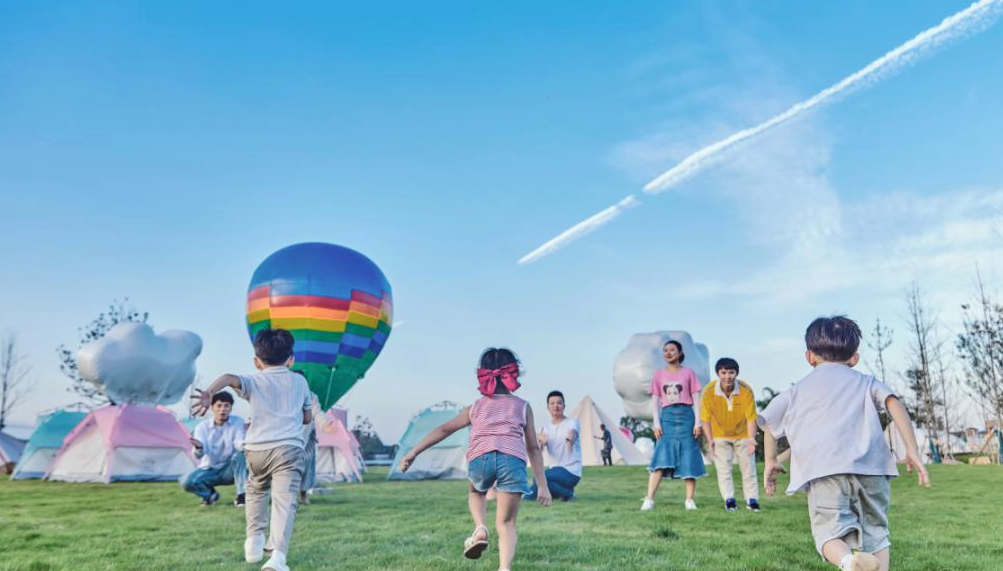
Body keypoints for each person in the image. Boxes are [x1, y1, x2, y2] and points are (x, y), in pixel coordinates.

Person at [761, 316, 931, 571]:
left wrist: (771, 461)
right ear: (854, 358)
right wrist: (912, 451)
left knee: (828, 533)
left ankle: (848, 561)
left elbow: (769, 424)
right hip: (872, 469)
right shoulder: (866, 382)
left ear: (810, 357)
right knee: (876, 531)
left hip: (824, 469)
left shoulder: (797, 390)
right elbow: (894, 403)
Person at [400, 347, 551, 571]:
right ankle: (504, 568)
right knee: (507, 523)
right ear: (514, 373)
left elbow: (444, 429)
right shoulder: (522, 406)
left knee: (476, 492)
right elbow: (533, 447)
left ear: (483, 373)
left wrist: (413, 452)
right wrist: (542, 485)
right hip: (512, 458)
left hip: (481, 457)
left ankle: (480, 527)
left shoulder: (476, 406)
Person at [192, 328, 312, 571]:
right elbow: (307, 418)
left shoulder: (254, 380)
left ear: (257, 362)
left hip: (256, 450)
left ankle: (254, 539)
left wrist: (208, 394)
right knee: (283, 500)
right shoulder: (300, 381)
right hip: (288, 449)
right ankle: (277, 558)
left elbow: (227, 377)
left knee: (256, 490)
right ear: (291, 359)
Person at [640, 340, 706, 511]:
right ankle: (649, 499)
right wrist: (656, 424)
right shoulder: (658, 375)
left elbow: (697, 399)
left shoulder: (689, 373)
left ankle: (689, 500)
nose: (668, 353)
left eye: (672, 350)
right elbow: (655, 401)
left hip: (686, 417)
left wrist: (698, 422)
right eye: (665, 350)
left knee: (688, 456)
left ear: (680, 352)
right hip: (667, 417)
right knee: (660, 456)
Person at [700, 357, 760, 512]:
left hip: (743, 434)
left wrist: (752, 439)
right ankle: (730, 501)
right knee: (724, 469)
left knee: (748, 468)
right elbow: (705, 419)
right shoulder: (708, 391)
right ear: (718, 373)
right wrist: (710, 440)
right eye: (724, 372)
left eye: (731, 372)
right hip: (720, 435)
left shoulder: (746, 390)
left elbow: (751, 418)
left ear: (736, 374)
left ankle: (752, 501)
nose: (727, 376)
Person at [180, 391, 248, 506]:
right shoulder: (202, 427)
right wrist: (199, 447)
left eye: (226, 406)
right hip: (210, 468)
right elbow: (199, 455)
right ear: (212, 408)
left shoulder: (238, 421)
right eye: (219, 406)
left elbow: (239, 442)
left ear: (231, 408)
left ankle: (242, 495)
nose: (222, 409)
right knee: (186, 481)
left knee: (241, 454)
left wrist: (247, 441)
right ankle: (210, 495)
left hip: (230, 469)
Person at [526, 390, 583, 501]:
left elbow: (573, 433)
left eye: (559, 403)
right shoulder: (545, 428)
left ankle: (567, 493)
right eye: (552, 403)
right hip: (555, 471)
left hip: (571, 471)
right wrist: (541, 442)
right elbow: (539, 449)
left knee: (539, 479)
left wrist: (570, 440)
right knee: (541, 483)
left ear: (564, 405)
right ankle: (564, 493)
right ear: (548, 407)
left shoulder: (572, 422)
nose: (556, 406)